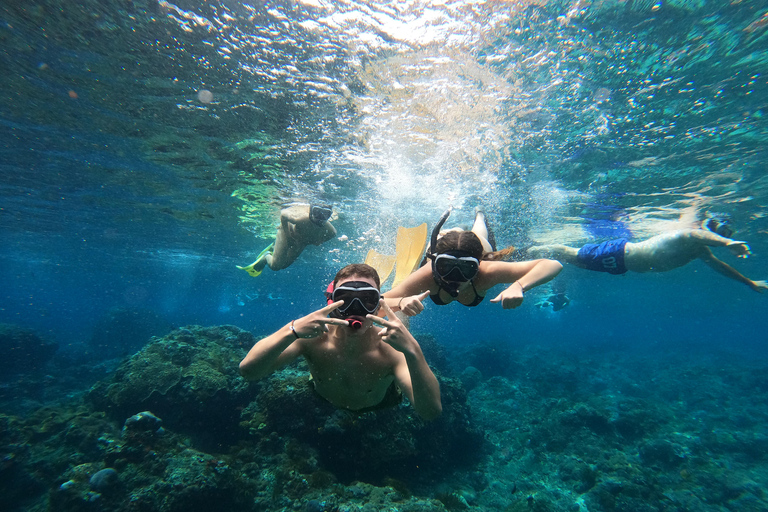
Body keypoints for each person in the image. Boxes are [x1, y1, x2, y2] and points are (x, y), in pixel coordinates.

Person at [238, 263, 443, 420]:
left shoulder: (391, 350)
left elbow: (430, 412)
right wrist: (291, 330)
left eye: (367, 300)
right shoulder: (312, 337)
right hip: (323, 397)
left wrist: (413, 349)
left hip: (382, 402)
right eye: (345, 299)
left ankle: (399, 301)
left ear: (377, 304)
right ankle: (396, 300)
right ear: (332, 302)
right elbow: (249, 371)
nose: (356, 309)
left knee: (399, 328)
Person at [385, 209, 563, 314]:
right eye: (446, 267)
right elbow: (378, 301)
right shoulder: (428, 274)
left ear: (478, 265)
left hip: (480, 247)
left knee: (480, 234)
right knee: (442, 242)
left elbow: (553, 264)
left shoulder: (488, 270)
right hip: (439, 252)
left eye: (466, 268)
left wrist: (519, 285)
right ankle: (448, 233)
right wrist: (399, 302)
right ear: (436, 265)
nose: (455, 276)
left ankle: (479, 214)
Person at [525, 218, 768, 293]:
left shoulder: (701, 251)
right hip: (618, 253)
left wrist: (749, 283)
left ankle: (529, 252)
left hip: (622, 263)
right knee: (569, 254)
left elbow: (719, 267)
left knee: (571, 259)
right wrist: (729, 242)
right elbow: (698, 235)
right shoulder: (690, 235)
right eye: (720, 232)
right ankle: (528, 250)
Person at [237, 203, 337, 277]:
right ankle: (266, 256)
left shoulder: (331, 230)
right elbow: (284, 215)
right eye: (317, 212)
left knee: (285, 266)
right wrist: (288, 235)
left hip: (302, 241)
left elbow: (332, 235)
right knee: (275, 266)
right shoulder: (301, 219)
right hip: (287, 235)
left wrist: (318, 241)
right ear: (310, 211)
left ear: (330, 215)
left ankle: (274, 248)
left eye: (325, 214)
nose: (320, 218)